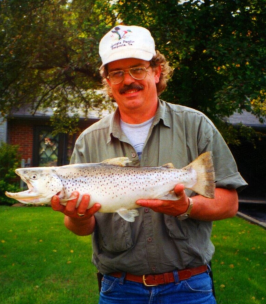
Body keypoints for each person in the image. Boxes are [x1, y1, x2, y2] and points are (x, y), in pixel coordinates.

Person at [51, 25, 247, 304]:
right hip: (118, 290)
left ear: (157, 72)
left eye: (137, 69)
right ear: (107, 82)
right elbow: (80, 227)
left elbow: (229, 204)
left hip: (189, 288)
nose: (127, 80)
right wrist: (78, 216)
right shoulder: (88, 141)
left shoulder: (196, 125)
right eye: (116, 73)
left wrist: (187, 207)